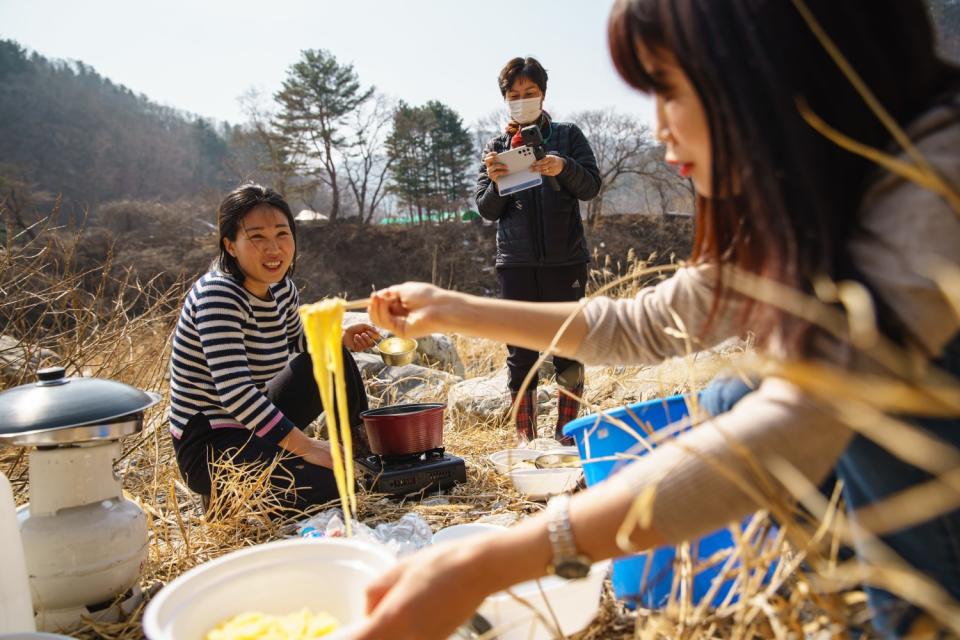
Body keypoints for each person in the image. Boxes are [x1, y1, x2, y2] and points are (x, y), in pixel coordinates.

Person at [357, 1, 960, 638]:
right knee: (732, 397)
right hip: (524, 267)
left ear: (768, 68)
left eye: (670, 90)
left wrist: (488, 563)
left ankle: (916, 616)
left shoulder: (934, 179)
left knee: (856, 414)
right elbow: (649, 324)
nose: (661, 130)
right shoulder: (818, 184)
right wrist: (452, 309)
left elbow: (804, 415)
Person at [168, 184, 380, 512]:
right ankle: (225, 492)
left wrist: (339, 339)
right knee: (339, 486)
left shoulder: (281, 288)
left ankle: (360, 451)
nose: (273, 249)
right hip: (213, 443)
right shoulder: (219, 296)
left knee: (333, 356)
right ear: (231, 246)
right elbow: (236, 393)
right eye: (257, 237)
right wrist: (307, 447)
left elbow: (296, 339)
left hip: (254, 422)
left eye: (282, 234)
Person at [477, 56, 602, 445]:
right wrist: (496, 183)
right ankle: (524, 441)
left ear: (543, 94)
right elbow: (485, 208)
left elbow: (591, 187)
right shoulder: (497, 147)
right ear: (505, 99)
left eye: (529, 93)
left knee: (568, 347)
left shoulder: (567, 135)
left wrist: (561, 167)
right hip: (516, 263)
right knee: (521, 354)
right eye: (514, 95)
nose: (522, 100)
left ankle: (567, 436)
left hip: (565, 260)